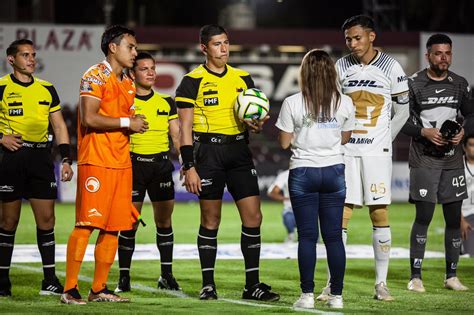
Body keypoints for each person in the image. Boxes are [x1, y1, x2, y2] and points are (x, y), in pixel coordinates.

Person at [176, 24, 279, 302]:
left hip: (239, 153)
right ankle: (207, 284)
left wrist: (255, 124)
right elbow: (184, 129)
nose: (224, 48)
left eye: (226, 43)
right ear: (204, 48)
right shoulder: (191, 81)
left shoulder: (243, 78)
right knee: (211, 220)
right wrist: (189, 166)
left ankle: (252, 285)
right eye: (217, 44)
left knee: (254, 217)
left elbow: (254, 120)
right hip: (208, 154)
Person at [318, 15, 410, 302]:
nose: (352, 43)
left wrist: (385, 139)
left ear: (371, 36)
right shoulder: (341, 66)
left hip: (376, 153)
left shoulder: (391, 66)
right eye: (348, 39)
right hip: (346, 152)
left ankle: (381, 284)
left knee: (379, 213)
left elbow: (403, 110)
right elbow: (332, 107)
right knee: (339, 215)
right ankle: (333, 282)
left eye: (357, 37)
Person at [60, 25, 148, 305]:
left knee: (113, 227)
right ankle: (70, 289)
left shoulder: (129, 82)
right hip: (97, 160)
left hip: (122, 163)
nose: (135, 53)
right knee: (87, 224)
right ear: (113, 47)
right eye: (130, 47)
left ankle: (99, 288)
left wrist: (134, 126)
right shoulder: (94, 75)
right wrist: (127, 123)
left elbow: (125, 119)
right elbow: (88, 118)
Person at [277, 49, 355, 309]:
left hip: (303, 171)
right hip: (334, 170)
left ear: (304, 73)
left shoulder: (292, 102)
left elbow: (284, 143)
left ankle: (307, 296)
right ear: (332, 73)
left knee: (307, 237)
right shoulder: (345, 102)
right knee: (333, 237)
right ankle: (337, 297)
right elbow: (345, 137)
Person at [0, 39, 74, 297]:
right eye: (25, 55)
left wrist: (66, 159)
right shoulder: (1, 87)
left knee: (47, 220)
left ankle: (50, 279)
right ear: (11, 60)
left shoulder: (47, 89)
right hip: (11, 158)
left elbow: (60, 126)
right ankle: (2, 281)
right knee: (8, 221)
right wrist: (1, 138)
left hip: (41, 158)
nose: (31, 59)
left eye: (33, 54)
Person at [402, 33, 472, 293]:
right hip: (424, 161)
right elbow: (400, 122)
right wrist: (424, 132)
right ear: (428, 55)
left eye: (448, 53)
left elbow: (471, 114)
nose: (444, 58)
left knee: (454, 220)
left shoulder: (460, 84)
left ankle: (451, 276)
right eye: (438, 53)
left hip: (453, 162)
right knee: (424, 217)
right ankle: (415, 277)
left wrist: (465, 132)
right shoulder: (413, 84)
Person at [115, 52, 181, 293]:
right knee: (129, 224)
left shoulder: (166, 102)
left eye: (153, 68)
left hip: (161, 167)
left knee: (164, 222)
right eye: (144, 69)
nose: (151, 72)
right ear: (132, 74)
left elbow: (176, 135)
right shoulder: (124, 101)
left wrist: (185, 160)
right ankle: (124, 278)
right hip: (132, 167)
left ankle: (166, 275)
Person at [267, 169, 297, 242]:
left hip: (307, 209)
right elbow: (272, 192)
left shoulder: (310, 172)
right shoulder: (285, 175)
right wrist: (287, 199)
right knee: (288, 216)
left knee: (312, 240)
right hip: (291, 209)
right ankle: (291, 235)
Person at [461, 134, 474, 257]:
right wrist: (460, 220)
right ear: (464, 147)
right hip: (464, 216)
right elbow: (452, 197)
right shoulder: (458, 166)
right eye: (471, 145)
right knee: (469, 255)